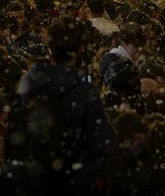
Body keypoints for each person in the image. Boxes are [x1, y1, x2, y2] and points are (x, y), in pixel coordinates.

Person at [20, 17, 115, 196]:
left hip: (36, 177)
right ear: (80, 48)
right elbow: (104, 140)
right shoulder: (82, 90)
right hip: (75, 179)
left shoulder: (30, 81)